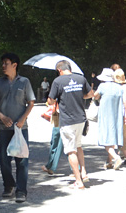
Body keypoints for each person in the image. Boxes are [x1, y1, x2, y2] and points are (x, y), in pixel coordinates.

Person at [0, 52, 35, 203]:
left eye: (6, 63)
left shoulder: (25, 82)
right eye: (2, 63)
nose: (3, 66)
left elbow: (31, 103)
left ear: (14, 65)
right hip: (3, 127)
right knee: (4, 159)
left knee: (22, 159)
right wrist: (1, 116)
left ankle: (21, 190)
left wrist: (23, 119)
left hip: (21, 127)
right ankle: (8, 185)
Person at [48, 59, 93, 190]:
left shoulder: (58, 81)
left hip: (67, 120)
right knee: (78, 146)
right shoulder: (81, 79)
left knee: (71, 150)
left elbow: (51, 101)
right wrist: (79, 96)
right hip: (81, 119)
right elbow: (91, 94)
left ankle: (78, 181)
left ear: (59, 70)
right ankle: (83, 172)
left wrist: (51, 99)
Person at [94, 68, 124, 170]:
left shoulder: (102, 86)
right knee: (112, 138)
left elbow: (96, 96)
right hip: (117, 115)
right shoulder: (119, 87)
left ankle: (116, 158)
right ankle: (109, 162)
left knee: (106, 139)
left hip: (106, 115)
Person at [40, 100, 62, 176]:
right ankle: (78, 169)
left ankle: (51, 166)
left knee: (56, 142)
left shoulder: (58, 87)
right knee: (70, 144)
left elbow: (50, 100)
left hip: (59, 113)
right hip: (73, 115)